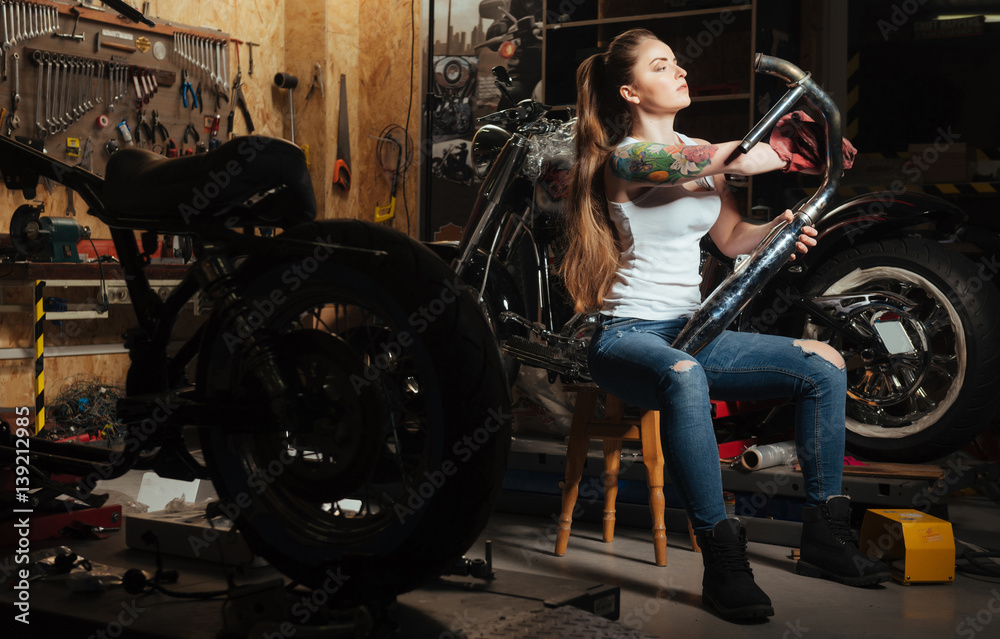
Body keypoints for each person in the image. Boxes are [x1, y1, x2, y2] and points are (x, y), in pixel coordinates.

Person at [559, 28, 890, 622]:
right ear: (631, 91)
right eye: (663, 66)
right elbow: (728, 157)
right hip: (628, 337)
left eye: (678, 61)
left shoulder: (705, 151)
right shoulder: (627, 158)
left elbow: (733, 238)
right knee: (684, 375)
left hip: (694, 331)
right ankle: (722, 558)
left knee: (825, 366)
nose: (680, 72)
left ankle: (824, 532)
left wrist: (780, 231)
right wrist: (777, 150)